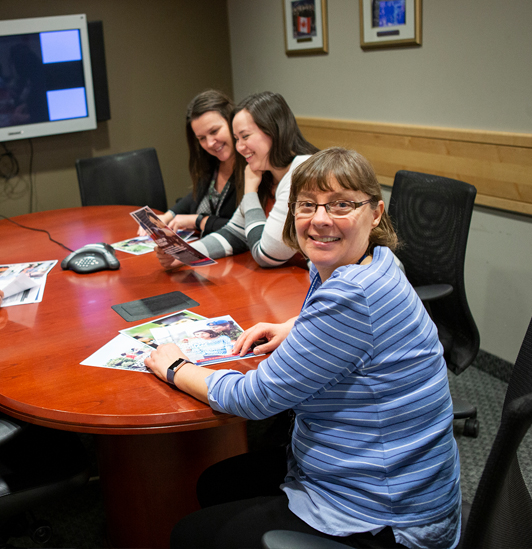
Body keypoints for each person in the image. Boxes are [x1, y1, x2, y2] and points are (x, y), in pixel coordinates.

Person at [145, 147, 461, 549]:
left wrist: (176, 366)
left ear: (376, 213)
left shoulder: (350, 296)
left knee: (187, 534)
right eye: (307, 205)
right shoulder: (376, 261)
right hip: (388, 476)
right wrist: (294, 326)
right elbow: (360, 324)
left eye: (341, 205)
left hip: (384, 514)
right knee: (217, 482)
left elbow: (253, 399)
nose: (320, 220)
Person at [156, 91, 319, 269]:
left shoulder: (303, 172)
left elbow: (266, 255)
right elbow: (233, 232)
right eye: (236, 139)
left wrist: (249, 192)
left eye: (245, 136)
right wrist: (181, 254)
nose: (240, 147)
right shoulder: (264, 175)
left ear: (274, 131)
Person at [139, 89, 239, 236]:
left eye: (214, 131)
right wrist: (168, 216)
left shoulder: (253, 168)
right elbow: (195, 197)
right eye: (201, 138)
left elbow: (242, 227)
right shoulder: (212, 162)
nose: (210, 143)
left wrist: (197, 220)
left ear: (232, 122)